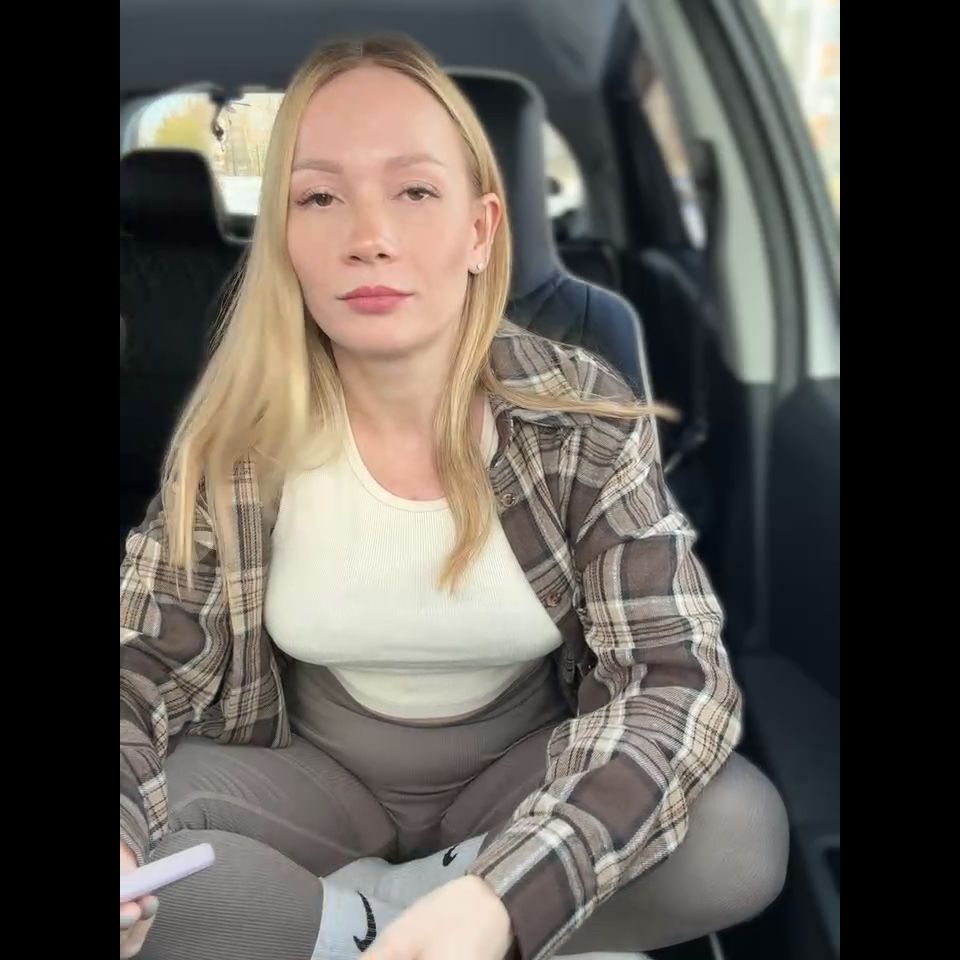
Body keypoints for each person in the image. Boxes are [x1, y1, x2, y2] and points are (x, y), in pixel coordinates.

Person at [120, 33, 788, 960]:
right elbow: (140, 664)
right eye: (319, 197)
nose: (369, 237)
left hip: (519, 778)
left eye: (414, 191)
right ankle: (388, 924)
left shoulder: (577, 419)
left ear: (480, 232)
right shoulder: (238, 434)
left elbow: (674, 679)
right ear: (286, 240)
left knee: (735, 834)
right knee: (144, 853)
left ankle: (399, 916)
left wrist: (503, 897)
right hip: (311, 781)